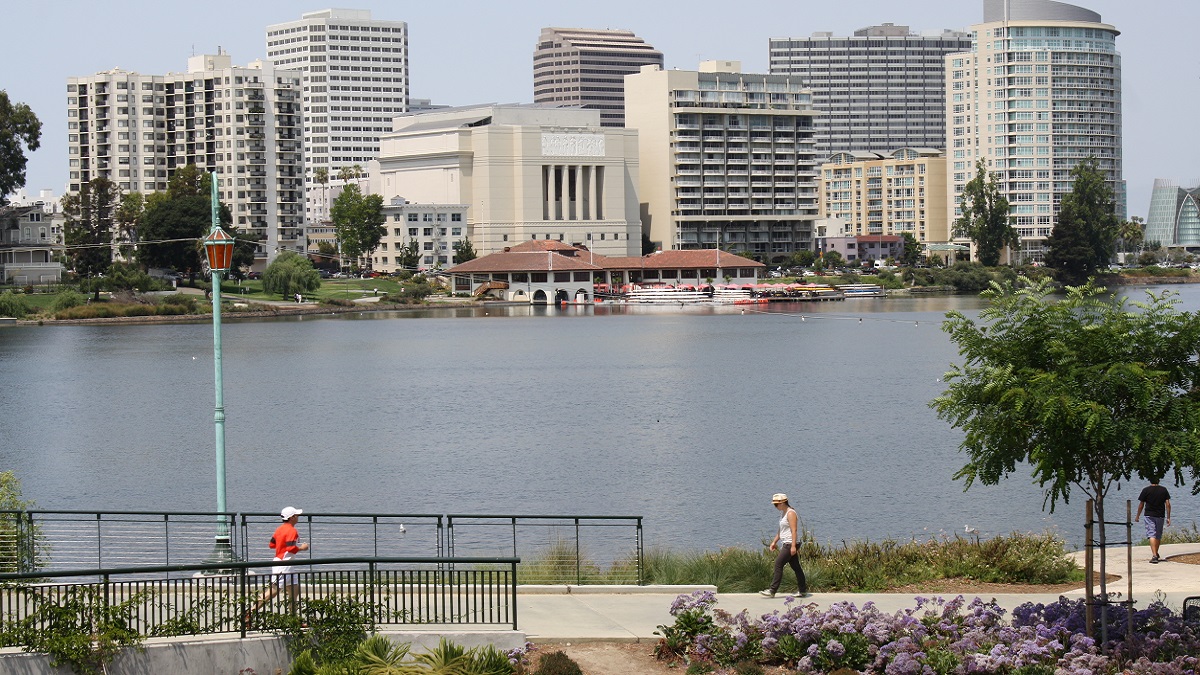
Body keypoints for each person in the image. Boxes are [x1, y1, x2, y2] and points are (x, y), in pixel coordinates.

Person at [250, 506, 310, 618]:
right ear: (292, 518)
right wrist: (303, 547)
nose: (298, 517)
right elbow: (291, 548)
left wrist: (282, 545)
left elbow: (271, 545)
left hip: (287, 565)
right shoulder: (292, 530)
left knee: (294, 592)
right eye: (296, 515)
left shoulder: (279, 529)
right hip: (283, 565)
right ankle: (250, 612)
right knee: (272, 592)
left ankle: (294, 619)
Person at [760, 493, 808, 598]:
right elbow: (781, 530)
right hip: (787, 543)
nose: (775, 507)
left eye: (776, 505)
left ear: (782, 503)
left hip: (790, 543)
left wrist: (793, 546)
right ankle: (802, 590)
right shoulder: (783, 513)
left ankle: (772, 590)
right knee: (796, 567)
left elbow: (794, 530)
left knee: (778, 564)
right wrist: (774, 542)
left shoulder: (791, 513)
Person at [1134, 479, 1171, 563]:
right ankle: (1155, 554)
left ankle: (1154, 555)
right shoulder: (1163, 490)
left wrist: (1137, 516)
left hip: (1149, 515)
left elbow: (1141, 504)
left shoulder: (1146, 490)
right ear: (1159, 480)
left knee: (1151, 534)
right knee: (1158, 535)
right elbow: (1168, 504)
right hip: (1160, 515)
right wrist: (1168, 517)